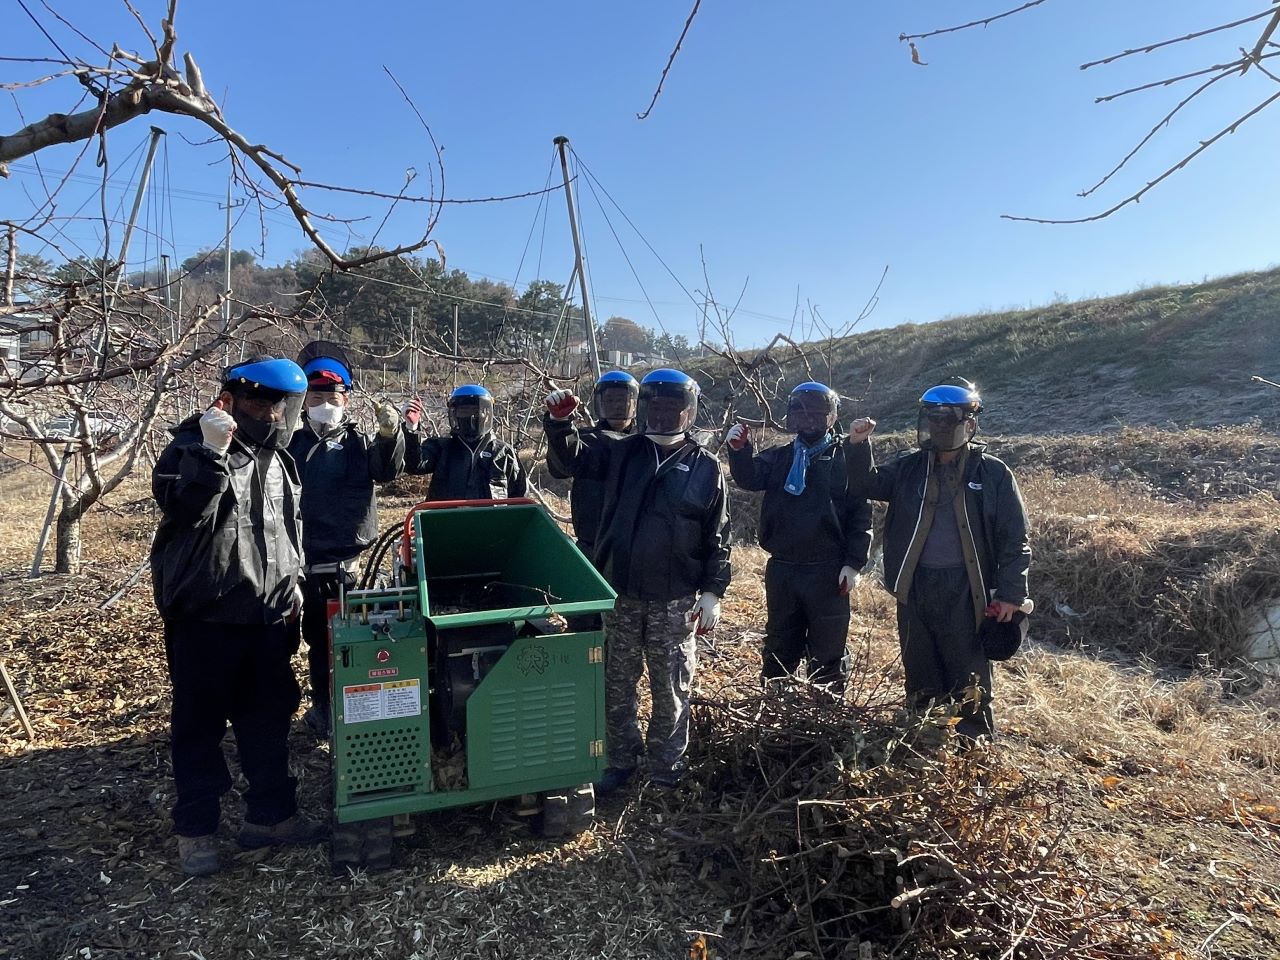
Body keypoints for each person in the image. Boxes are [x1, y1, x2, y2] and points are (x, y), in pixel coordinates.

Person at [150, 357, 323, 877]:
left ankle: (271, 817)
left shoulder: (281, 458)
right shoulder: (191, 447)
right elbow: (185, 510)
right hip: (207, 617)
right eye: (260, 403)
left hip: (268, 614)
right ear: (229, 400)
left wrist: (294, 584)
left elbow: (289, 528)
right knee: (199, 726)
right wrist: (211, 453)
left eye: (282, 406)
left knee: (268, 717)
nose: (272, 415)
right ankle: (197, 829)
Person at [544, 369, 731, 791]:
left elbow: (718, 535)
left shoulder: (705, 467)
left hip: (675, 599)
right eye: (655, 407)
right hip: (622, 593)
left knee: (671, 688)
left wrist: (713, 591)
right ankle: (620, 761)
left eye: (673, 408)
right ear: (643, 409)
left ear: (689, 412)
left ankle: (666, 768)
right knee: (616, 684)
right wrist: (559, 423)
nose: (663, 416)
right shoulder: (620, 452)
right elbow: (571, 460)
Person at [844, 379, 1031, 737]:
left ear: (969, 423)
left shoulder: (993, 473)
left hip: (968, 589)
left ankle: (972, 746)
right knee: (920, 670)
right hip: (915, 586)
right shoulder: (910, 467)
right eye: (934, 419)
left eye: (948, 419)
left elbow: (1015, 539)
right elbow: (864, 484)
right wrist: (857, 444)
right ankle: (923, 739)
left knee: (968, 674)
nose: (940, 426)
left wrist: (1010, 594)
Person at [725, 382, 872, 693]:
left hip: (829, 571)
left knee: (828, 649)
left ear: (832, 417)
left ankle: (826, 710)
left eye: (818, 414)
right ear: (791, 418)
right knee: (780, 643)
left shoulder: (844, 458)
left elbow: (861, 512)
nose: (809, 421)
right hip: (783, 569)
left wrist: (854, 563)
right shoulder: (781, 457)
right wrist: (739, 450)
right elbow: (749, 477)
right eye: (802, 414)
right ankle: (774, 708)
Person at [288, 346, 405, 737]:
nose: (324, 404)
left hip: (350, 567)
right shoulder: (291, 443)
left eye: (332, 397)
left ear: (347, 400)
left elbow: (386, 470)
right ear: (303, 400)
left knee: (354, 637)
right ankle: (322, 706)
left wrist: (390, 436)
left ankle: (358, 706)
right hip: (302, 564)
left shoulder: (358, 443)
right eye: (316, 397)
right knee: (316, 640)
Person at [544, 369, 639, 557]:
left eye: (622, 400)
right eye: (610, 400)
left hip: (637, 550)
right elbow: (561, 467)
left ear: (635, 403)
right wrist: (559, 424)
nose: (616, 405)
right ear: (599, 403)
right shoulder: (586, 440)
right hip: (591, 546)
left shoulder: (648, 444)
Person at [405, 384, 527, 500]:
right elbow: (413, 465)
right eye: (464, 411)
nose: (471, 416)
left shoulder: (503, 452)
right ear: (454, 414)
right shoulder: (440, 447)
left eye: (476, 411)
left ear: (487, 414)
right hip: (447, 515)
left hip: (491, 515)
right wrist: (411, 427)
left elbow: (520, 496)